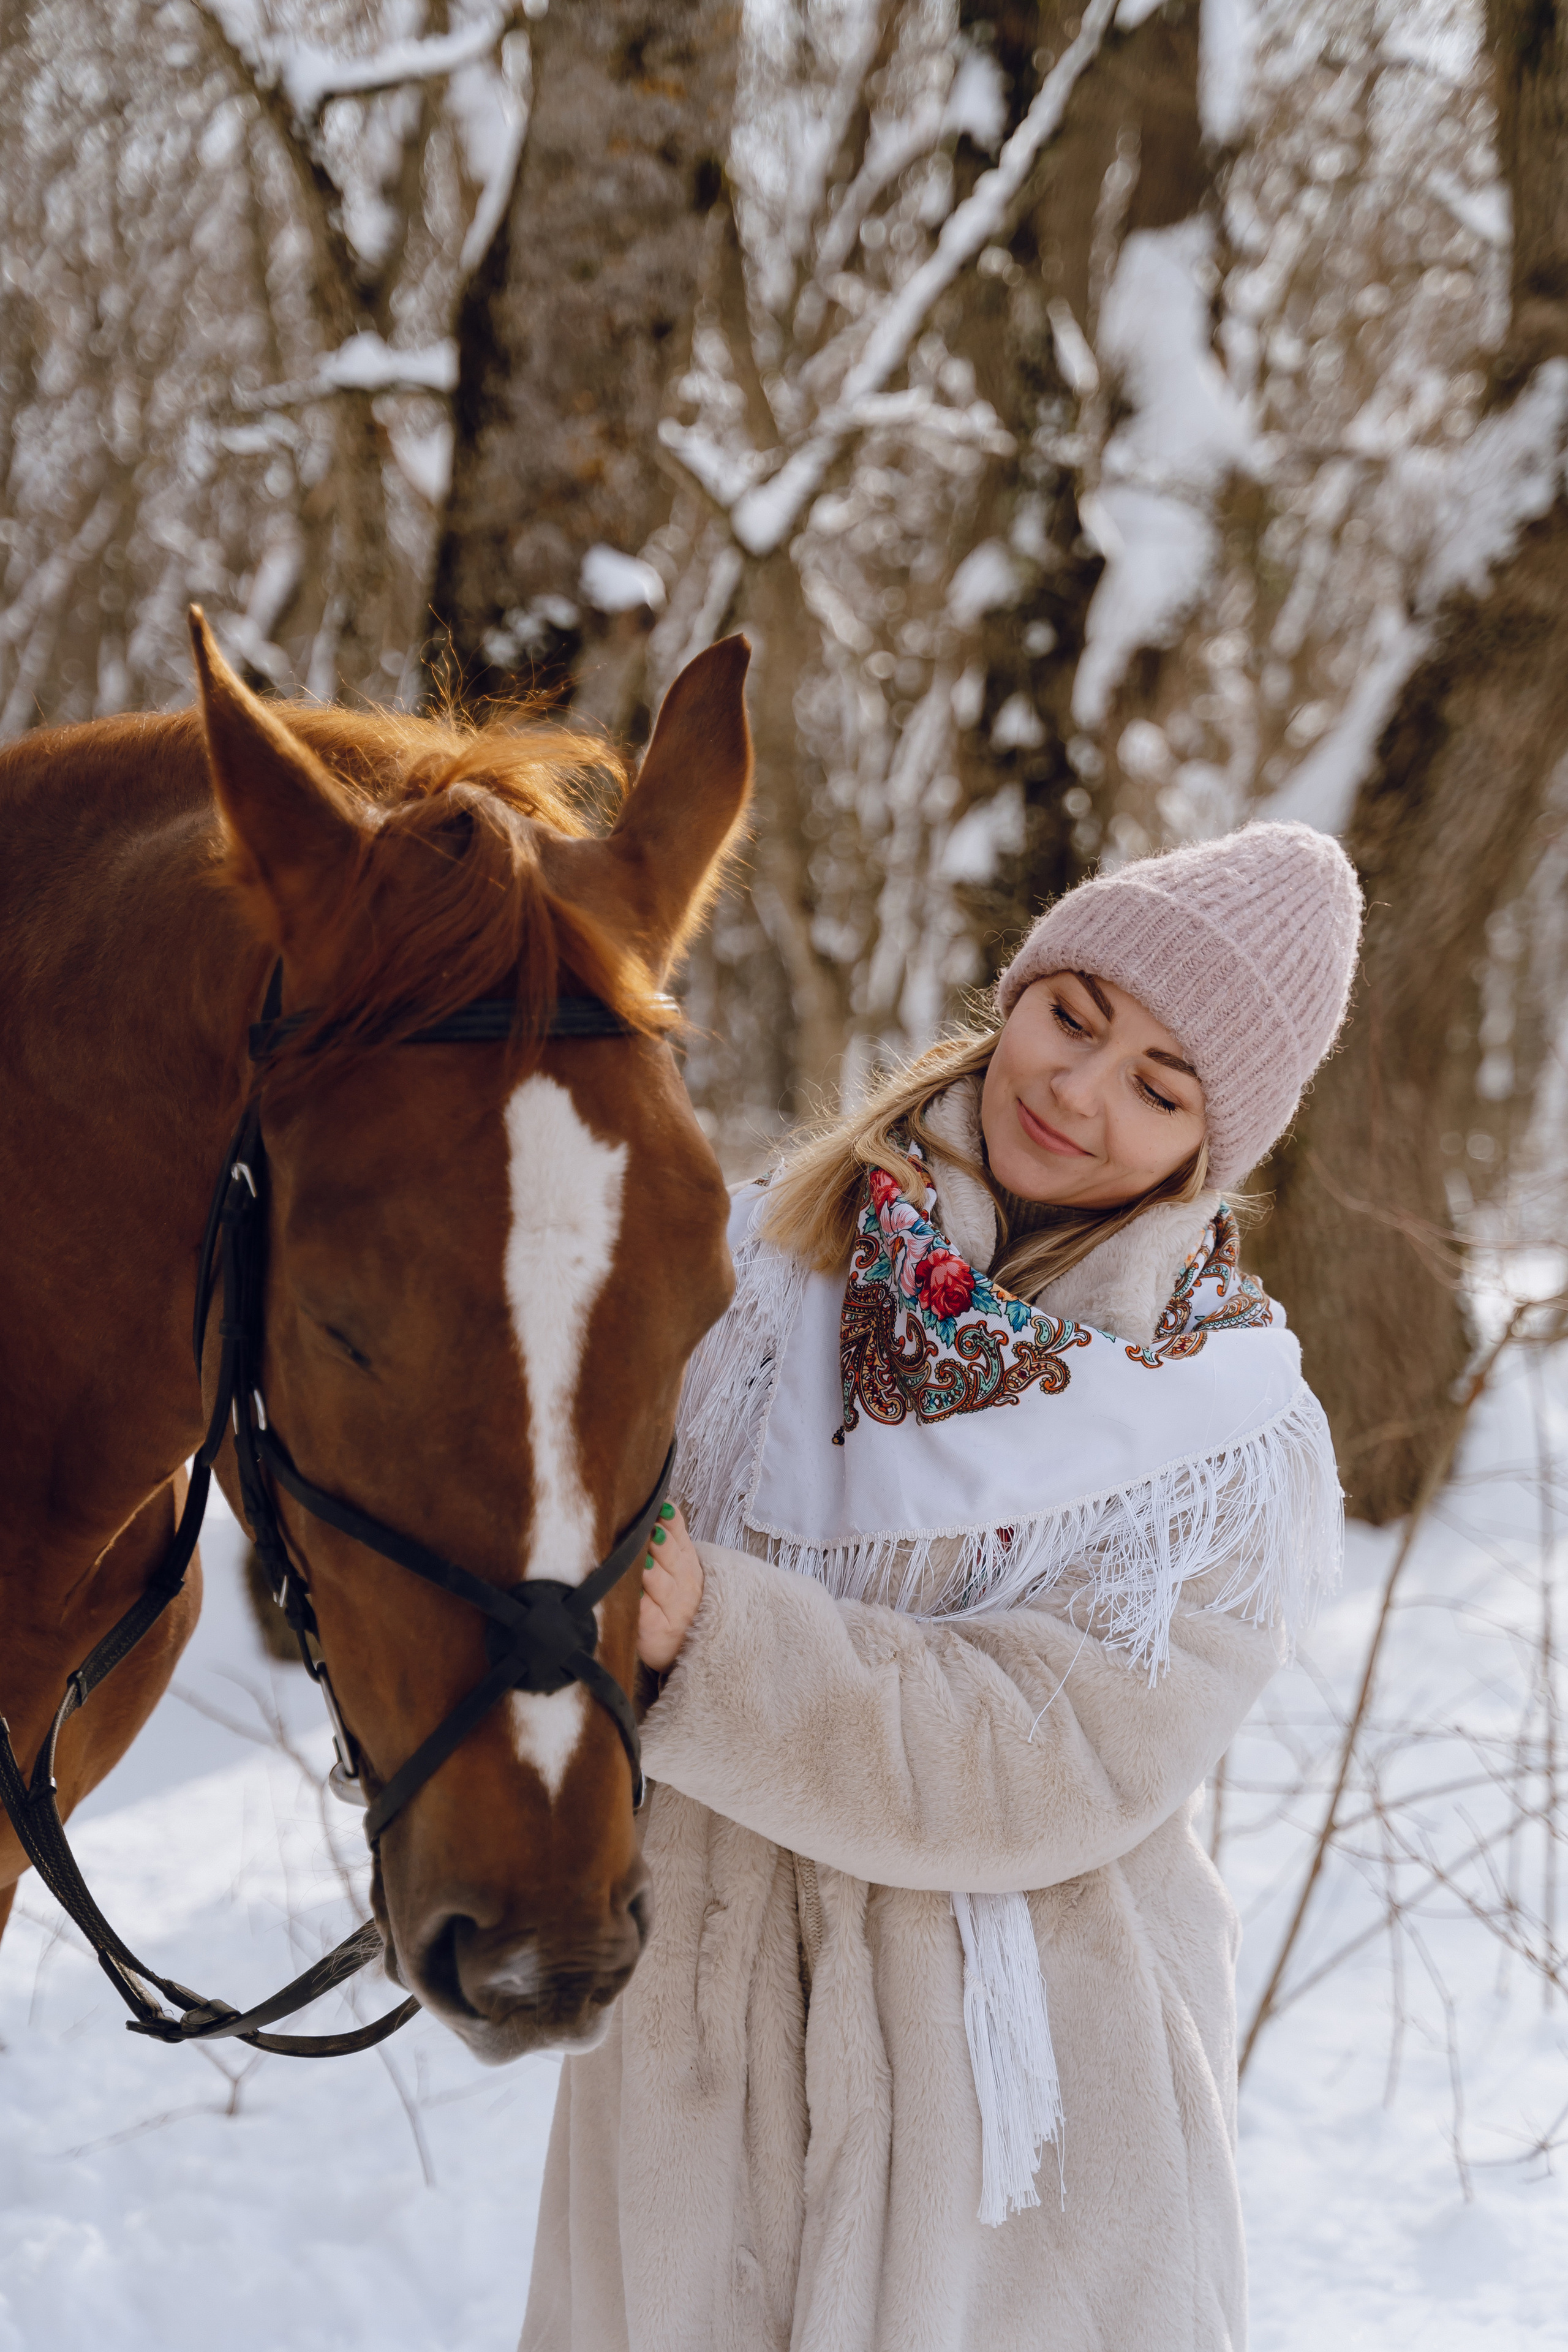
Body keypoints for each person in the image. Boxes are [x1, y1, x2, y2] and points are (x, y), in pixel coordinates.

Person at [521, 821, 1362, 2352]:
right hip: (693, 2065)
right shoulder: (751, 1274)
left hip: (1011, 2120)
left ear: (1208, 1145)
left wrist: (710, 1641)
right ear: (1018, 992)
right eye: (1071, 1017)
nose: (1076, 1091)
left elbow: (1051, 1757)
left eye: (1158, 1089)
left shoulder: (1218, 1433)